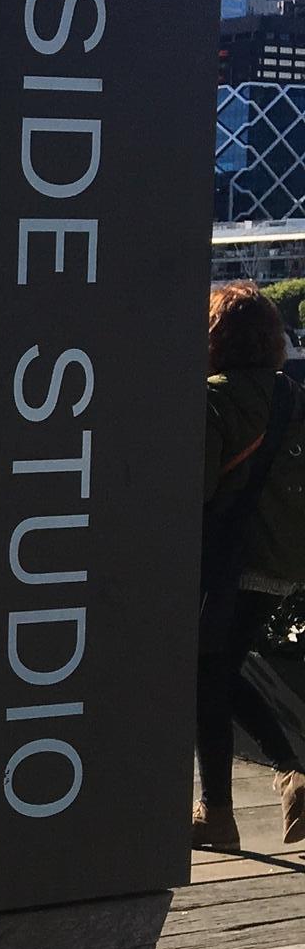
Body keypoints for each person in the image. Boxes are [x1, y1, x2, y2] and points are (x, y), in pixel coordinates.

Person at [196, 282, 305, 850]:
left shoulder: (214, 397)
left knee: (205, 674)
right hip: (282, 563)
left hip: (230, 561)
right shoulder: (290, 394)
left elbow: (196, 487)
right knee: (219, 668)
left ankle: (216, 814)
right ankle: (292, 774)